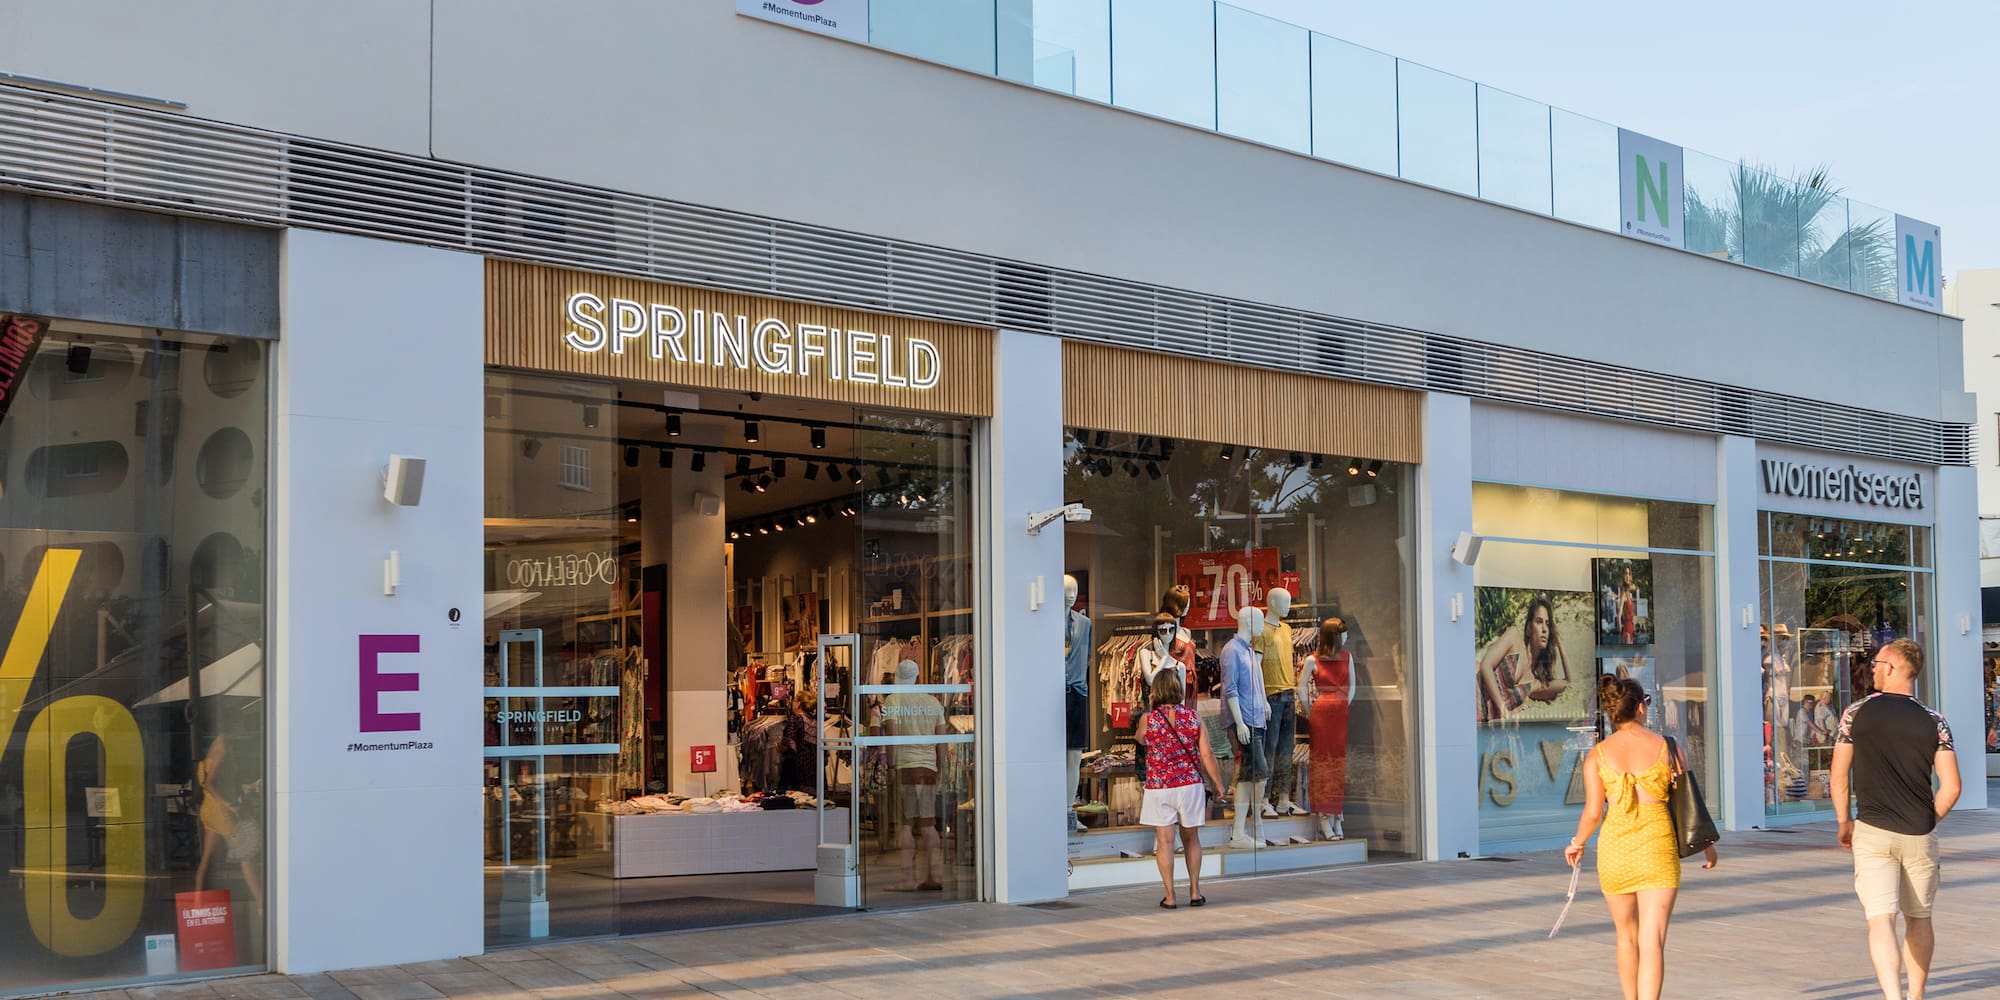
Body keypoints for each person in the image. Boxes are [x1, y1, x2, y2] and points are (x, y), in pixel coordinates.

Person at [1565, 675, 1718, 1000]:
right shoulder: (1669, 748)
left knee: (1626, 937)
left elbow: (1592, 813)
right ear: (1639, 708)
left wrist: (1576, 844)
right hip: (1658, 848)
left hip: (1615, 849)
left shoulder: (1597, 756)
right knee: (1652, 941)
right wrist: (1707, 845)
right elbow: (1689, 801)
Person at [1831, 639, 1961, 1000]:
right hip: (1919, 833)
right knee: (1919, 917)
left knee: (1881, 919)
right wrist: (1928, 819)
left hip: (1872, 831)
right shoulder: (1934, 721)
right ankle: (1915, 996)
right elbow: (1952, 786)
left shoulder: (1855, 714)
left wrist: (1844, 822)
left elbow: (1839, 775)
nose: (1872, 668)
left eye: (1876, 663)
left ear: (1890, 668)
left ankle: (1893, 996)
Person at [1137, 669, 1223, 910]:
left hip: (1160, 786)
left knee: (1164, 841)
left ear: (1156, 692)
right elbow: (1207, 754)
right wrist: (1217, 782)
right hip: (1189, 785)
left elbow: (1141, 739)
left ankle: (1170, 896)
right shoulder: (1193, 717)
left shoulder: (1149, 719)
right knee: (1191, 838)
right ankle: (1195, 891)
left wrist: (1151, 710)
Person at [881, 659, 949, 891]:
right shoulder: (933, 702)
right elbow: (941, 741)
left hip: (905, 767)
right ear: (918, 677)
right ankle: (934, 876)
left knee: (905, 825)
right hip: (928, 768)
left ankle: (907, 878)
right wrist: (940, 769)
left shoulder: (893, 701)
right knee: (929, 825)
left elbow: (892, 738)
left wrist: (891, 767)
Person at [1478, 593, 1570, 723]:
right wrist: (1503, 709)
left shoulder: (1534, 684)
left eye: (1548, 624)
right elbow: (1485, 665)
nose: (1544, 629)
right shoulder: (1514, 637)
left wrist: (1557, 637)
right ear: (1529, 629)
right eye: (1539, 622)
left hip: (1479, 718)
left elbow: (1568, 683)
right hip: (1471, 688)